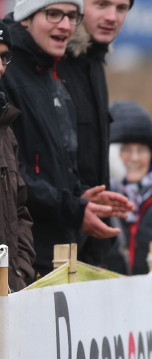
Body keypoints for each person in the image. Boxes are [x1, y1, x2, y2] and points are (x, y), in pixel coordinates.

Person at [1, 0, 130, 278]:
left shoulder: (54, 78)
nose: (65, 25)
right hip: (23, 257)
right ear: (26, 18)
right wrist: (72, 208)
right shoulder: (9, 73)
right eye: (54, 14)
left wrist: (80, 196)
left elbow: (57, 165)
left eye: (72, 16)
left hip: (56, 256)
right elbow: (12, 175)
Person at [58, 0, 133, 270]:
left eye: (122, 8)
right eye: (101, 4)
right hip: (55, 239)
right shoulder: (51, 63)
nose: (112, 17)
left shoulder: (95, 63)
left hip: (90, 236)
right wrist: (74, 208)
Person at [109, 100, 152, 274]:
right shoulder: (101, 197)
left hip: (151, 292)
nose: (135, 158)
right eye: (127, 150)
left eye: (142, 150)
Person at [0, 24, 34, 291]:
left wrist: (20, 269)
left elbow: (20, 209)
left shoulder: (6, 129)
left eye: (4, 57)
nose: (1, 67)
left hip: (9, 293)